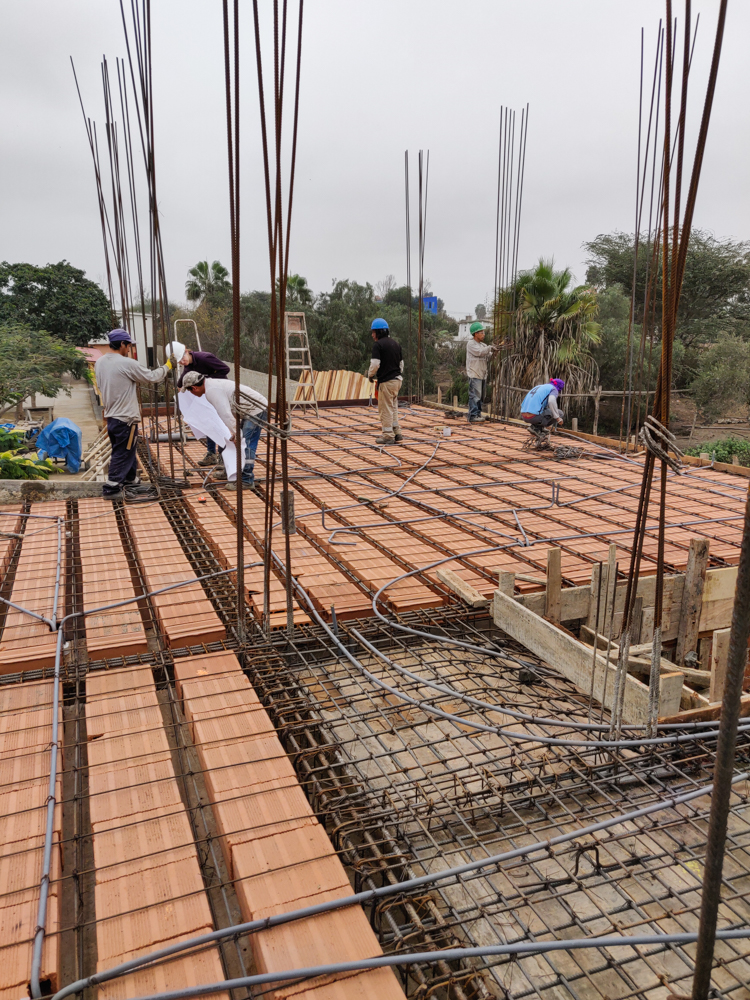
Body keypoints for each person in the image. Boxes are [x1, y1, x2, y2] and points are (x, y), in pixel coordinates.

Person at [94, 329, 171, 498]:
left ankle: (130, 479)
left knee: (127, 449)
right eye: (128, 345)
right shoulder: (126, 363)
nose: (128, 349)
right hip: (125, 419)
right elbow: (152, 377)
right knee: (123, 452)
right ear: (122, 344)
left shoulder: (100, 362)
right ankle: (112, 488)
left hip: (112, 417)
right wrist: (167, 366)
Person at [182, 372, 267, 491]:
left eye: (190, 391)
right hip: (248, 410)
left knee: (245, 444)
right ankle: (232, 472)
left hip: (256, 409)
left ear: (194, 388)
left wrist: (236, 434)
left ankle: (246, 480)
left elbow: (226, 414)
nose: (192, 394)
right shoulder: (210, 386)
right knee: (234, 442)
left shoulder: (212, 390)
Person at [169, 341, 230, 467]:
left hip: (219, 392)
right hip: (206, 394)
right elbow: (180, 383)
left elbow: (225, 369)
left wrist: (206, 380)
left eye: (182, 358)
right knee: (208, 421)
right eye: (179, 361)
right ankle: (211, 454)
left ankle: (224, 455)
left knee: (220, 423)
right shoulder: (189, 366)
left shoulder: (205, 358)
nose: (182, 362)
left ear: (187, 351)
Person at [367, 318, 403, 445]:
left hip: (386, 382)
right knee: (393, 407)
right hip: (397, 381)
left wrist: (370, 375)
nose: (372, 335)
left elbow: (375, 364)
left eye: (373, 332)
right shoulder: (396, 344)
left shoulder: (378, 345)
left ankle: (388, 436)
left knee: (385, 409)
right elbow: (401, 364)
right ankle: (396, 432)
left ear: (379, 332)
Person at [465, 321, 498, 423]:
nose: (484, 335)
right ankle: (473, 415)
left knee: (480, 396)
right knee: (475, 396)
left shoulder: (483, 345)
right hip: (474, 373)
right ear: (476, 334)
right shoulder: (471, 344)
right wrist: (490, 348)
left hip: (482, 374)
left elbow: (488, 357)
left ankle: (478, 414)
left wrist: (495, 352)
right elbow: (479, 352)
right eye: (482, 333)